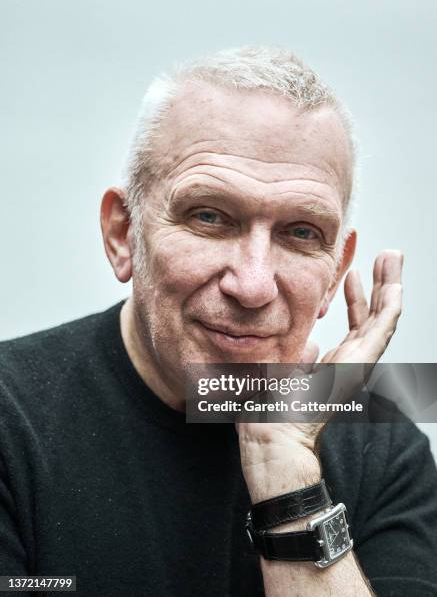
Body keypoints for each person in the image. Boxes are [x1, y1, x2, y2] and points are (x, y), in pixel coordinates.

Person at [0, 46, 436, 597]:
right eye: (209, 217)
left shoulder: (383, 446)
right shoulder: (12, 424)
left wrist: (286, 476)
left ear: (333, 274)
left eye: (301, 233)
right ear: (122, 235)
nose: (252, 285)